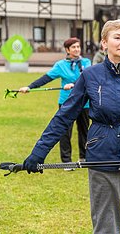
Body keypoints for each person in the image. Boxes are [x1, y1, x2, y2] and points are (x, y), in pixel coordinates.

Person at [22, 19, 120, 234]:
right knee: (105, 224)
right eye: (117, 37)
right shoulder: (90, 75)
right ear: (104, 43)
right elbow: (64, 115)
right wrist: (39, 152)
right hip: (102, 152)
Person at [19, 37, 91, 167]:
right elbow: (46, 78)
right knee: (65, 132)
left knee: (84, 131)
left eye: (78, 47)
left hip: (85, 102)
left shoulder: (87, 62)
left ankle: (84, 157)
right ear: (67, 50)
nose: (77, 49)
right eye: (73, 47)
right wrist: (30, 87)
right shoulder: (60, 65)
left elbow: (87, 78)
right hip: (67, 102)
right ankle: (66, 161)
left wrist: (74, 84)